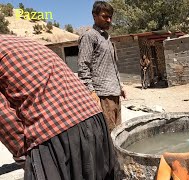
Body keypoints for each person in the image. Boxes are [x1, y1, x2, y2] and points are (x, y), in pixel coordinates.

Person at [0, 35, 115, 179]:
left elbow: (4, 118)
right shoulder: (18, 40)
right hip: (94, 118)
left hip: (55, 131)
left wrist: (26, 157)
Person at [78, 1, 126, 131]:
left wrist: (120, 86)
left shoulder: (106, 38)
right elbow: (83, 66)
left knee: (118, 131)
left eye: (110, 17)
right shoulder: (90, 36)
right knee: (109, 133)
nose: (109, 20)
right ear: (94, 16)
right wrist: (91, 92)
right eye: (105, 16)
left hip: (114, 92)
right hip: (103, 95)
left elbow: (113, 66)